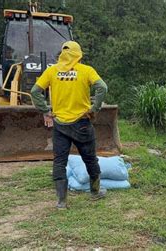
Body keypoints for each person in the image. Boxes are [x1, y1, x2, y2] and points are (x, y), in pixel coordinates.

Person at [31, 41, 108, 209]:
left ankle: (61, 202)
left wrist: (46, 110)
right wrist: (94, 108)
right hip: (82, 123)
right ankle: (95, 192)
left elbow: (35, 91)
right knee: (90, 159)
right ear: (78, 55)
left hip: (60, 125)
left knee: (59, 162)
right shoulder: (86, 70)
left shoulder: (52, 71)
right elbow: (102, 87)